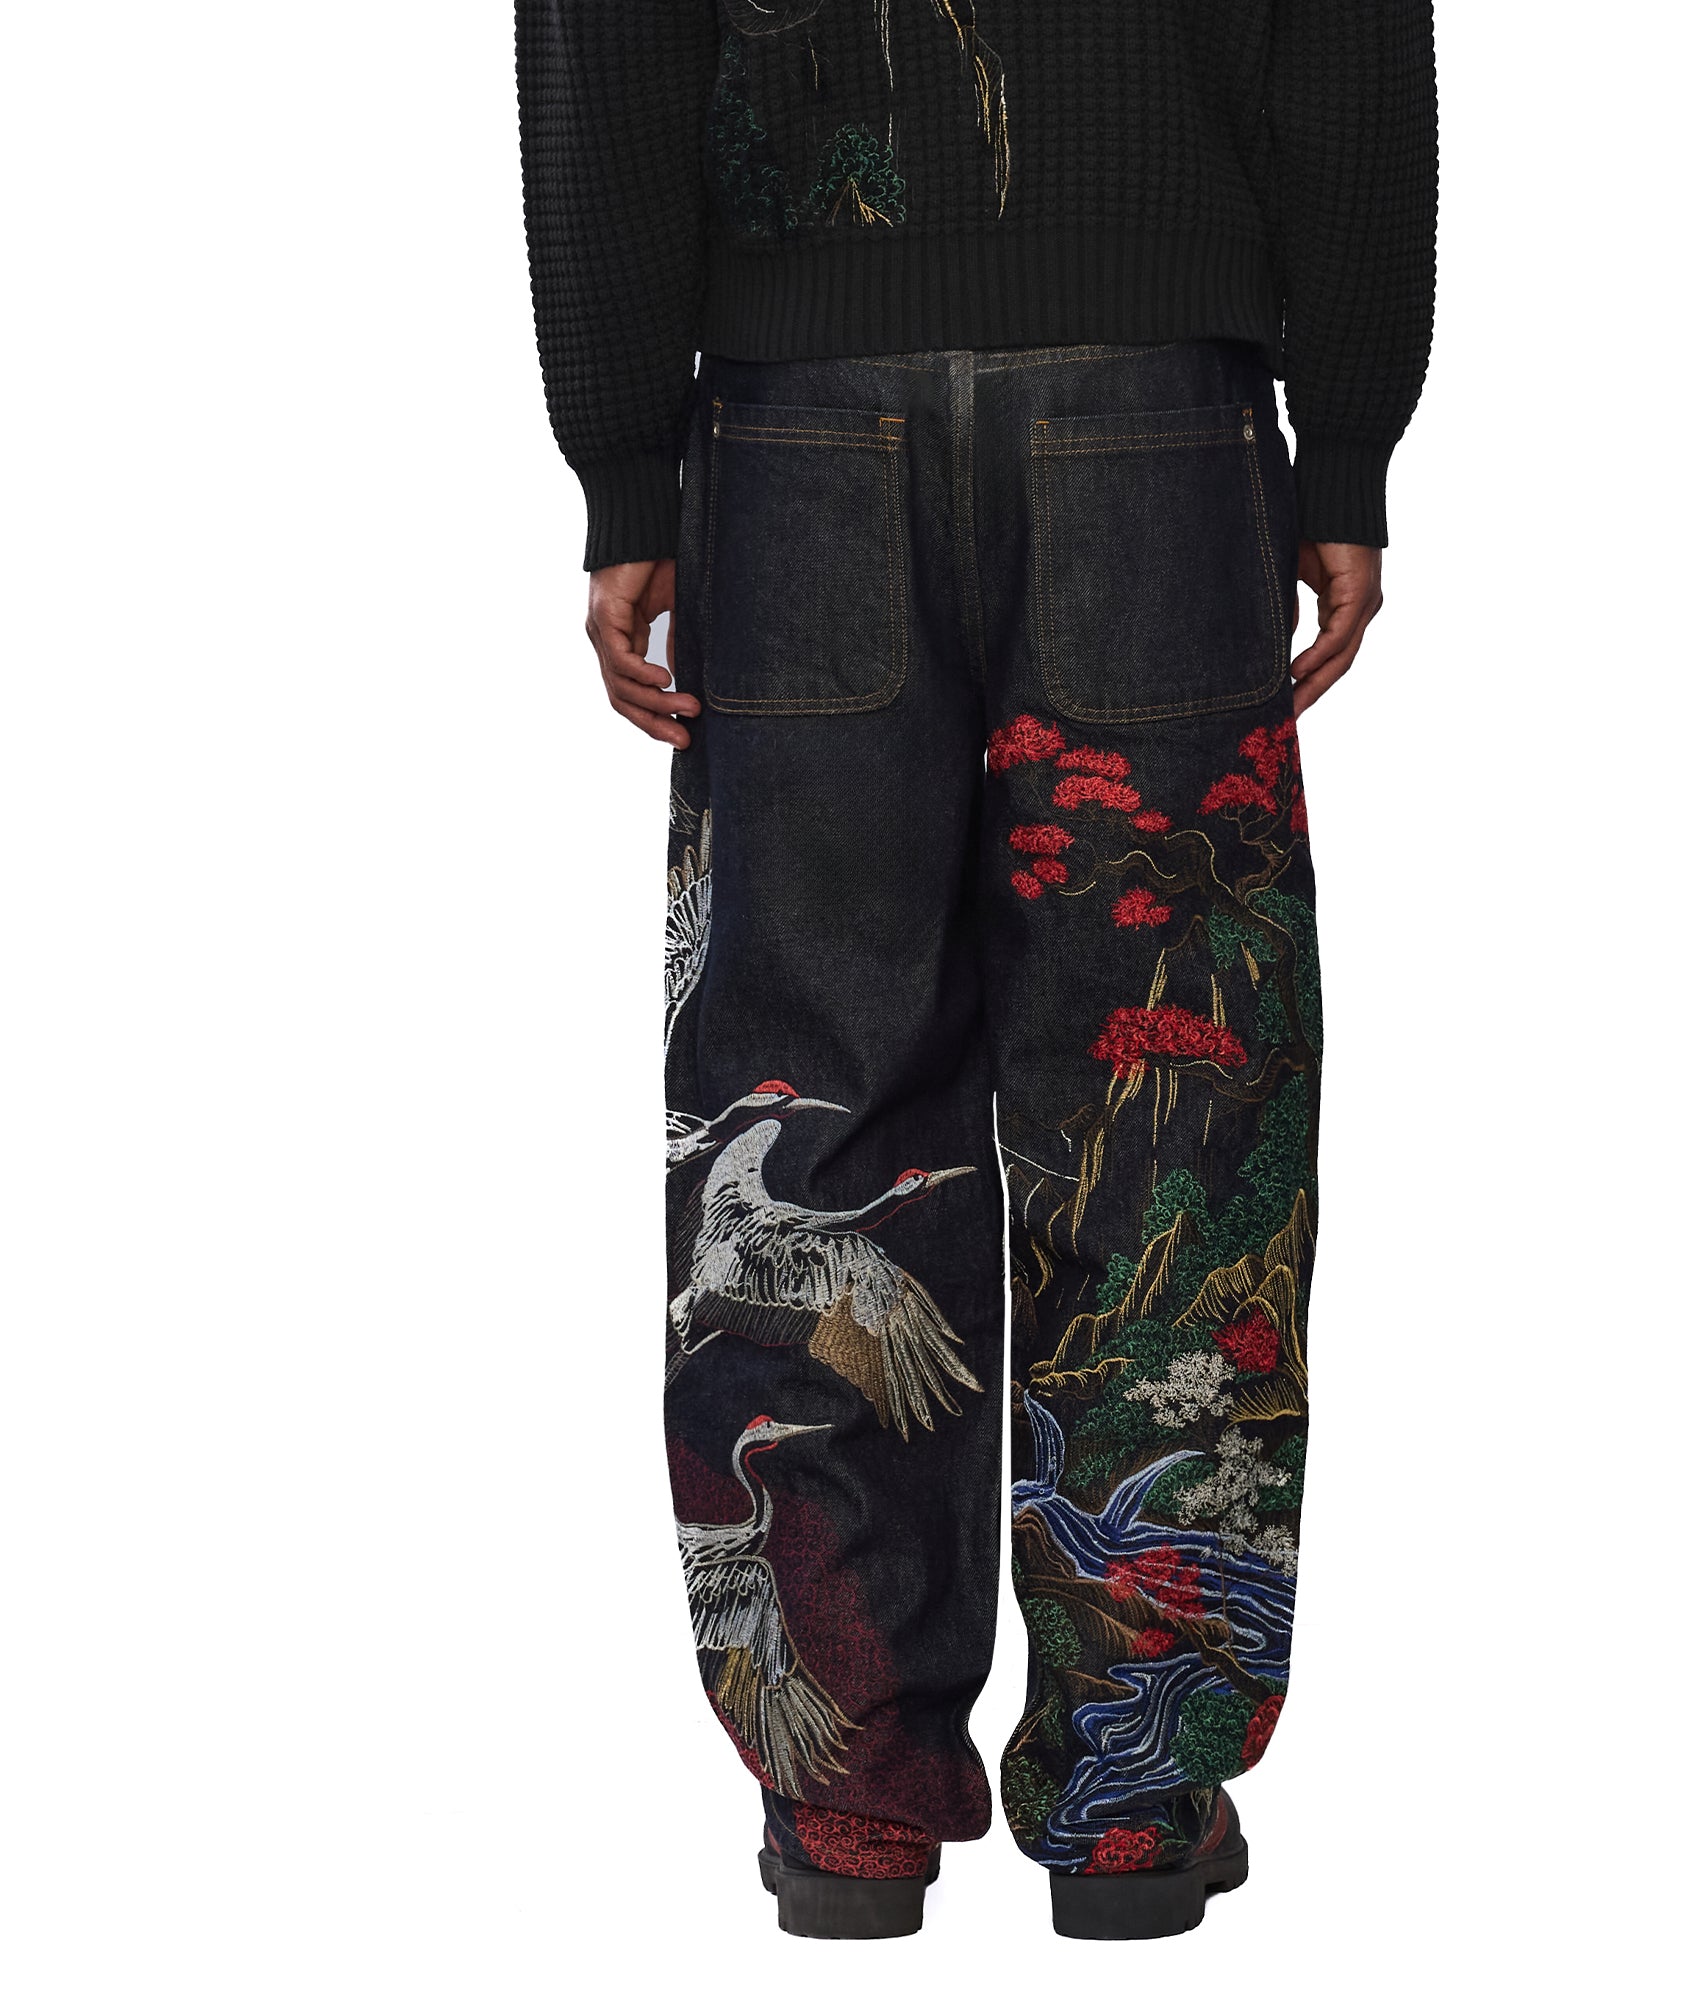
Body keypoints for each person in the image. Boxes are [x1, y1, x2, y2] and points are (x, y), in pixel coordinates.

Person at [518, 0, 1435, 1941]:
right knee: (1167, 1114)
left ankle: (846, 1801)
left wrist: (623, 461)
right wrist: (1345, 444)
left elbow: (603, 35)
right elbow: (1348, 37)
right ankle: (1131, 1793)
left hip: (796, 431)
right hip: (1154, 417)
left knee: (808, 1126)